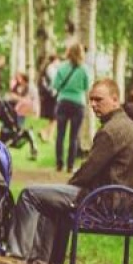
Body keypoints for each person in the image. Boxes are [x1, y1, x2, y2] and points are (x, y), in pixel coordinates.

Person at [0, 79, 133, 264]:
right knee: (48, 199)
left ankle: (17, 256)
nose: (93, 105)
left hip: (104, 201)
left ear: (115, 100)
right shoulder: (124, 124)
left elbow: (87, 172)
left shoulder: (110, 131)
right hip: (122, 200)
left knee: (30, 194)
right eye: (91, 100)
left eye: (99, 100)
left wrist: (67, 187)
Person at [53, 42, 91, 173]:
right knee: (74, 136)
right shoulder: (85, 69)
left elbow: (55, 85)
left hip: (63, 101)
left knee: (60, 134)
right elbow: (87, 87)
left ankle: (59, 164)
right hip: (78, 103)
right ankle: (70, 166)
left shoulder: (62, 67)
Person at [38, 54, 61, 141]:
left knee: (53, 118)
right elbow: (55, 81)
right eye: (58, 60)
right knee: (55, 117)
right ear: (55, 60)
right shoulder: (51, 68)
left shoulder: (47, 67)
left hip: (49, 95)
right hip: (52, 95)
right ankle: (45, 133)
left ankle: (47, 135)